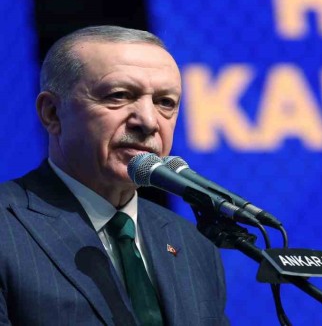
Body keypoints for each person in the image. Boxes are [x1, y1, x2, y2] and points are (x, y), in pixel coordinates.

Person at [0, 26, 228, 325]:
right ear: (52, 113)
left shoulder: (193, 244)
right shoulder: (7, 227)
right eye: (119, 95)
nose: (148, 121)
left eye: (165, 103)